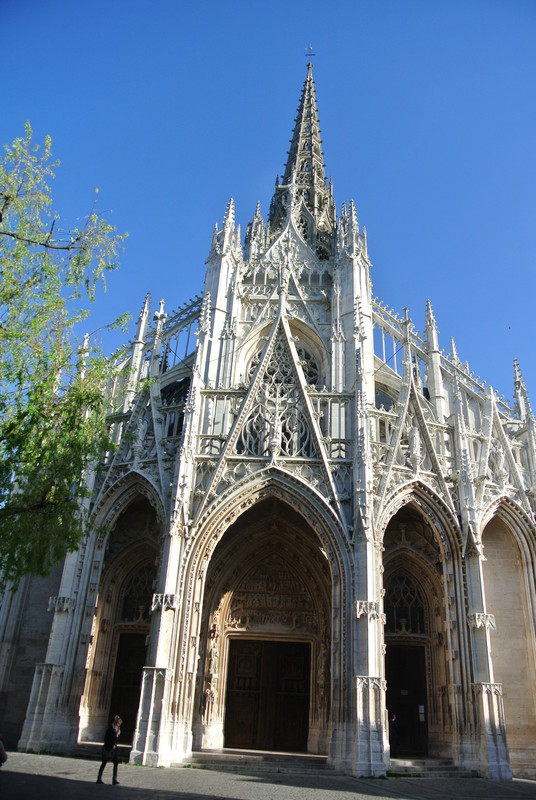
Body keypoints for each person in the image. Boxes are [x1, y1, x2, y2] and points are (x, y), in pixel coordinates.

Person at [96, 715, 122, 784]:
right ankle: (99, 778)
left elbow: (116, 739)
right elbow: (106, 739)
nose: (119, 725)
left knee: (116, 763)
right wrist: (111, 745)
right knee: (104, 763)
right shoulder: (110, 729)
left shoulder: (118, 729)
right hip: (108, 749)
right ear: (116, 723)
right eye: (119, 723)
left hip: (114, 750)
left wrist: (114, 745)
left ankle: (114, 779)